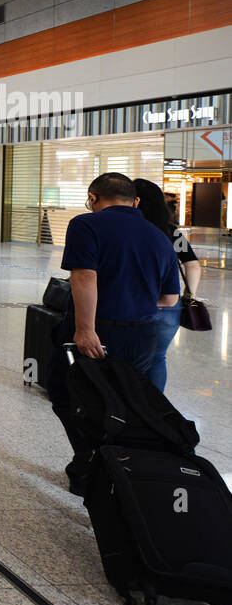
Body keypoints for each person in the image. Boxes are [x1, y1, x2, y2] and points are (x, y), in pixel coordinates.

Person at [45, 173, 180, 493]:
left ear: (93, 197)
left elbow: (83, 278)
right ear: (134, 202)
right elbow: (169, 299)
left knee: (67, 393)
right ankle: (121, 468)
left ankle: (92, 462)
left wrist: (85, 329)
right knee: (124, 401)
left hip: (100, 329)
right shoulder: (158, 234)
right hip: (144, 334)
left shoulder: (86, 224)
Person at [134, 177, 200, 392]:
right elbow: (191, 263)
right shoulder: (171, 231)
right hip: (169, 304)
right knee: (158, 357)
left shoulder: (130, 229)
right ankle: (155, 407)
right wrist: (190, 294)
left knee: (130, 358)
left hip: (135, 304)